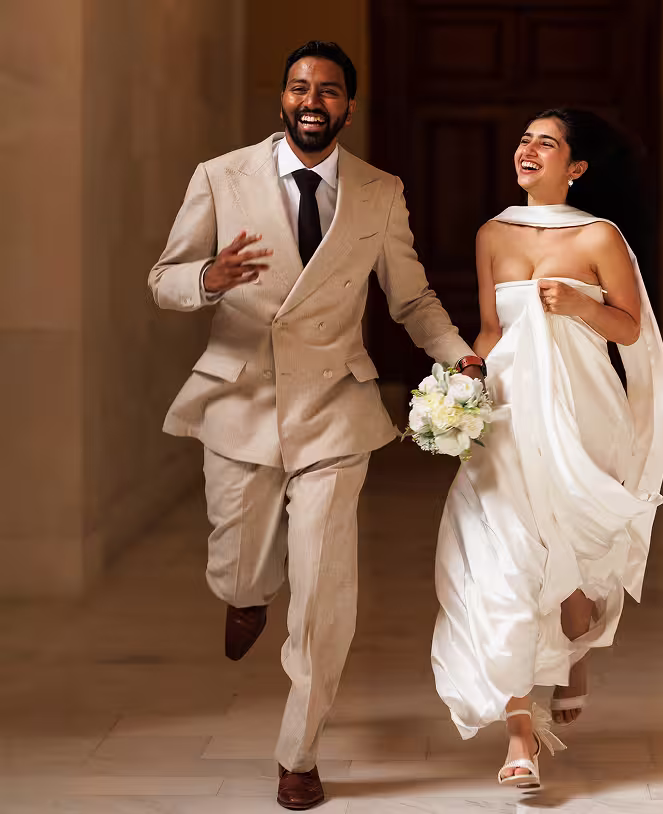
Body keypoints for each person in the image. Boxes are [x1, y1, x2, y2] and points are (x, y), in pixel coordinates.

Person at [148, 40, 482, 811]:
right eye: (299, 87)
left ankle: (299, 754)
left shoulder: (378, 190)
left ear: (348, 107)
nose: (312, 100)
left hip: (334, 405)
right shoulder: (219, 177)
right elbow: (163, 281)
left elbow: (412, 299)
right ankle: (244, 591)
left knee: (325, 592)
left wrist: (459, 359)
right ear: (282, 99)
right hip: (240, 402)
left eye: (327, 91)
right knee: (237, 560)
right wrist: (208, 277)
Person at [431, 108, 663, 787]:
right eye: (525, 139)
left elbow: (629, 330)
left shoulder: (599, 236)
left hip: (581, 411)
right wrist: (459, 392)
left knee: (570, 540)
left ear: (576, 167)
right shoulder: (492, 234)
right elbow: (486, 330)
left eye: (548, 142)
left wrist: (581, 308)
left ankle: (576, 625)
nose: (528, 149)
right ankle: (519, 740)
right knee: (500, 560)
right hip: (508, 413)